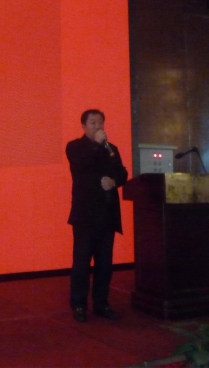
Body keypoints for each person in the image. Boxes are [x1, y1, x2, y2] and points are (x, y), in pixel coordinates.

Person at [65, 109, 128, 322]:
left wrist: (114, 182)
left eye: (100, 122)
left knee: (105, 264)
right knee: (82, 262)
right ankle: (79, 304)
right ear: (83, 126)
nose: (98, 126)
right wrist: (96, 145)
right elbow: (80, 166)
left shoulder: (111, 149)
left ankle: (102, 303)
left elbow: (122, 173)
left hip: (107, 214)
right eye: (93, 122)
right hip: (85, 215)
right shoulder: (75, 147)